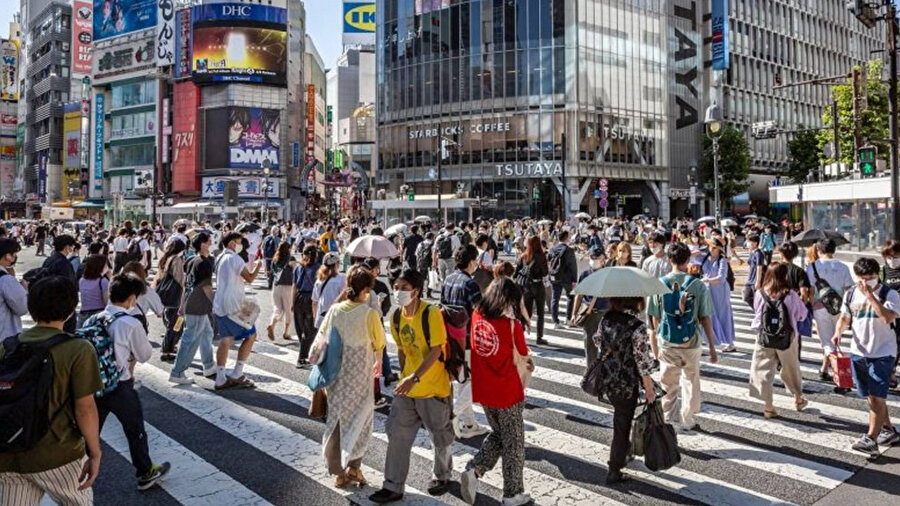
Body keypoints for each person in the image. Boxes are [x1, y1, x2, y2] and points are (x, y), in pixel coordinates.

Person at [0, 276, 102, 505]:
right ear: (70, 311)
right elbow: (85, 408)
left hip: (8, 453)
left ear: (31, 308)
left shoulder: (7, 347)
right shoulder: (78, 349)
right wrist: (95, 452)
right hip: (57, 453)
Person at [369, 269, 454, 503]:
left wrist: (413, 377)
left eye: (404, 288)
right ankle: (393, 485)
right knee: (397, 434)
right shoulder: (396, 316)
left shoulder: (430, 313)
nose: (398, 292)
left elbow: (437, 350)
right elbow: (403, 350)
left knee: (440, 436)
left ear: (416, 291)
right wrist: (403, 376)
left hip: (433, 388)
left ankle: (443, 474)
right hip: (407, 389)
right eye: (396, 287)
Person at [460, 277, 534, 506]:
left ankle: (475, 469)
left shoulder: (476, 316)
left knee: (500, 435)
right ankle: (513, 493)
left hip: (485, 389)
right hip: (508, 391)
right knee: (514, 443)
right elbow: (523, 354)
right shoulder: (512, 326)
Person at [96, 273, 171, 489]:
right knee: (134, 428)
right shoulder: (130, 323)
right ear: (131, 298)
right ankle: (145, 471)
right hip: (120, 383)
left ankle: (72, 471)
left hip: (95, 383)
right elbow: (144, 354)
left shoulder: (95, 318)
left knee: (89, 430)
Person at [317, 266, 385, 488]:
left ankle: (338, 472)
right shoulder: (370, 314)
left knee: (337, 420)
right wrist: (379, 362)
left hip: (337, 376)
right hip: (361, 376)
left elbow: (322, 338)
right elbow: (379, 344)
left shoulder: (335, 310)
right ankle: (355, 467)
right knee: (361, 420)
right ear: (366, 290)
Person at [831, 258, 900, 454]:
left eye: (871, 277)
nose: (867, 281)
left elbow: (887, 317)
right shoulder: (851, 293)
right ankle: (888, 429)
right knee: (871, 396)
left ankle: (871, 439)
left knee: (877, 396)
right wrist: (838, 332)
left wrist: (870, 296)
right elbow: (846, 317)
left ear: (877, 275)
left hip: (884, 352)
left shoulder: (890, 293)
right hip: (859, 351)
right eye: (863, 278)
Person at [647, 242, 719, 432]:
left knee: (668, 384)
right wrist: (712, 347)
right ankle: (687, 418)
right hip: (691, 342)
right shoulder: (698, 286)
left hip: (667, 342)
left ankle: (669, 420)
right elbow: (705, 318)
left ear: (669, 260)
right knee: (691, 381)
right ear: (688, 260)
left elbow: (654, 320)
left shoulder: (659, 285)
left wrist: (655, 346)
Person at [591, 296, 656, 484]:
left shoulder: (606, 319)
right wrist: (649, 388)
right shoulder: (637, 326)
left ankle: (623, 452)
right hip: (627, 382)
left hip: (608, 378)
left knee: (620, 419)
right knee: (622, 424)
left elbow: (597, 341)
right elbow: (642, 361)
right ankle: (614, 467)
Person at [749, 263, 810, 419]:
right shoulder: (790, 295)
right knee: (791, 368)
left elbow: (757, 312)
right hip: (787, 337)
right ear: (785, 276)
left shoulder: (760, 293)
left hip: (764, 336)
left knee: (763, 370)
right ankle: (798, 398)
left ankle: (768, 407)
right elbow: (801, 314)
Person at [442, 244, 490, 438]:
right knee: (475, 380)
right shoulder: (470, 284)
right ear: (471, 262)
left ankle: (470, 425)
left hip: (450, 336)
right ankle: (454, 414)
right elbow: (481, 311)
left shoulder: (448, 279)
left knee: (463, 379)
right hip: (469, 338)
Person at [212, 232, 262, 390]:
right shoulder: (235, 259)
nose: (242, 245)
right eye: (240, 242)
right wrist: (259, 265)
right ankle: (237, 372)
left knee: (225, 340)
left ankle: (220, 377)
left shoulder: (219, 257)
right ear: (233, 243)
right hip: (234, 306)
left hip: (220, 304)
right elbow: (250, 278)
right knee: (251, 335)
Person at [169, 233, 217, 385]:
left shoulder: (191, 260)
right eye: (209, 240)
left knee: (206, 333)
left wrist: (182, 304)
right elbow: (206, 287)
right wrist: (215, 304)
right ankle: (177, 371)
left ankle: (209, 365)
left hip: (191, 303)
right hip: (198, 305)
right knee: (190, 339)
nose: (211, 241)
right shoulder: (204, 263)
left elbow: (186, 285)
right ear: (203, 244)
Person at [806, 238, 854, 382]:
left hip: (820, 307)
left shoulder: (812, 267)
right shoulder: (843, 267)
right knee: (835, 339)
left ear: (819, 250)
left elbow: (811, 290)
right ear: (834, 250)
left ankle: (839, 372)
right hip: (840, 308)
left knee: (827, 342)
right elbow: (848, 289)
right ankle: (824, 369)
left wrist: (812, 304)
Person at [298, 251, 345, 368]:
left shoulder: (319, 280)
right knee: (335, 346)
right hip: (336, 316)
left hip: (321, 316)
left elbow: (314, 301)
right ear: (336, 265)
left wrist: (315, 318)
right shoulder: (341, 279)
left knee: (323, 345)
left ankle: (321, 367)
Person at [570, 246, 609, 365]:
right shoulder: (585, 274)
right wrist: (574, 313)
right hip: (589, 313)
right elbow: (579, 295)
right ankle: (591, 371)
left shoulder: (608, 274)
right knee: (590, 345)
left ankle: (605, 370)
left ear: (603, 258)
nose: (595, 259)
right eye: (592, 257)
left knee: (607, 345)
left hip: (606, 313)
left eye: (597, 257)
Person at [701, 238, 736, 352]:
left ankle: (730, 342)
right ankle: (711, 338)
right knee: (709, 314)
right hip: (707, 290)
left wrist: (707, 280)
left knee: (723, 315)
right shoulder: (705, 258)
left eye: (715, 247)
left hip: (720, 291)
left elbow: (721, 278)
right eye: (710, 246)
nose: (711, 249)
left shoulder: (722, 261)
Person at [155, 240, 187, 362]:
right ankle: (166, 350)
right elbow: (179, 280)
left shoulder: (166, 258)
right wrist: (184, 295)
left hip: (166, 296)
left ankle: (170, 346)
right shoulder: (177, 260)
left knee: (173, 323)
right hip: (175, 297)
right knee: (176, 324)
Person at [514, 235, 549, 345]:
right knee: (540, 313)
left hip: (526, 287)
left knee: (526, 313)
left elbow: (516, 272)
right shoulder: (542, 256)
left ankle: (521, 335)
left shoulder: (523, 256)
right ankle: (539, 337)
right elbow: (545, 273)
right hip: (538, 285)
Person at [292, 245, 323, 366]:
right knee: (311, 328)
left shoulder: (298, 267)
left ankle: (303, 350)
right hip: (311, 298)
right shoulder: (319, 267)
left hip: (298, 297)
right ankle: (303, 355)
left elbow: (294, 286)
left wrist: (292, 302)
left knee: (300, 327)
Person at [43, 234, 79, 333]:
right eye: (71, 247)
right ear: (67, 247)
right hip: (62, 307)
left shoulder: (48, 260)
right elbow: (69, 287)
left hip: (46, 303)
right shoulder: (64, 263)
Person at [547, 230, 578, 329]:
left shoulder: (553, 249)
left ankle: (555, 321)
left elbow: (548, 259)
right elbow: (573, 266)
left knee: (555, 298)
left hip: (555, 276)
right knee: (570, 297)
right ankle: (568, 319)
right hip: (567, 278)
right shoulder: (569, 250)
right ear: (567, 238)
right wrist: (574, 279)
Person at [266, 241, 296, 341]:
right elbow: (295, 270)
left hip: (276, 285)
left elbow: (271, 271)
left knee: (277, 308)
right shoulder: (290, 258)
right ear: (288, 249)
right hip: (287, 286)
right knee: (288, 310)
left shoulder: (275, 258)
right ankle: (286, 332)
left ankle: (271, 325)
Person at [880, 241, 900, 388]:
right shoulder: (883, 271)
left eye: (896, 256)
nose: (892, 260)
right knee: (893, 344)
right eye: (889, 257)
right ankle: (891, 373)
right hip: (892, 315)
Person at [0, 238, 27, 342]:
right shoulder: (6, 280)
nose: (15, 257)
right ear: (8, 256)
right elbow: (22, 308)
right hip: (5, 338)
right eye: (14, 254)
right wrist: (24, 289)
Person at [77, 254, 110, 328]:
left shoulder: (82, 280)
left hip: (83, 314)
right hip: (98, 314)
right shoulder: (103, 281)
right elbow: (106, 302)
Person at [743, 235, 767, 309]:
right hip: (750, 278)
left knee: (753, 297)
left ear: (755, 243)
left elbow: (759, 267)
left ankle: (761, 312)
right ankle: (759, 311)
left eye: (749, 242)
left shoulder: (758, 254)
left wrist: (758, 281)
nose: (747, 243)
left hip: (755, 279)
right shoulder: (752, 253)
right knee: (747, 297)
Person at [433, 223, 461, 287]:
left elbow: (435, 250)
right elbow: (457, 250)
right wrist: (457, 261)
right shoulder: (455, 237)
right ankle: (448, 293)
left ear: (445, 228)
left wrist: (434, 262)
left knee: (442, 278)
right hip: (451, 259)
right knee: (450, 278)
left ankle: (443, 293)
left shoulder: (439, 237)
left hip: (440, 258)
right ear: (453, 228)